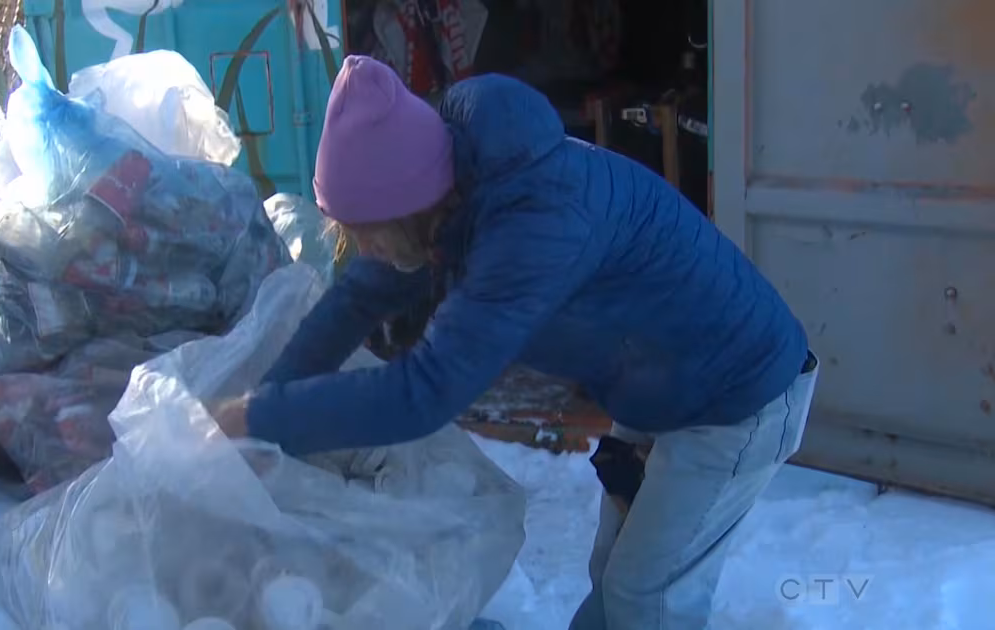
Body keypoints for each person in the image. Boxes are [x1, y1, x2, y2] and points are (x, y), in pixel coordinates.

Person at [212, 55, 819, 630]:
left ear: (404, 206)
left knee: (647, 592)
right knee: (614, 573)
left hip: (738, 394)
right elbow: (356, 300)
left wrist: (261, 417)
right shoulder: (448, 190)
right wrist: (264, 402)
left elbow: (423, 393)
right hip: (661, 382)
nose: (363, 252)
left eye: (365, 235)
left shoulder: (533, 225)